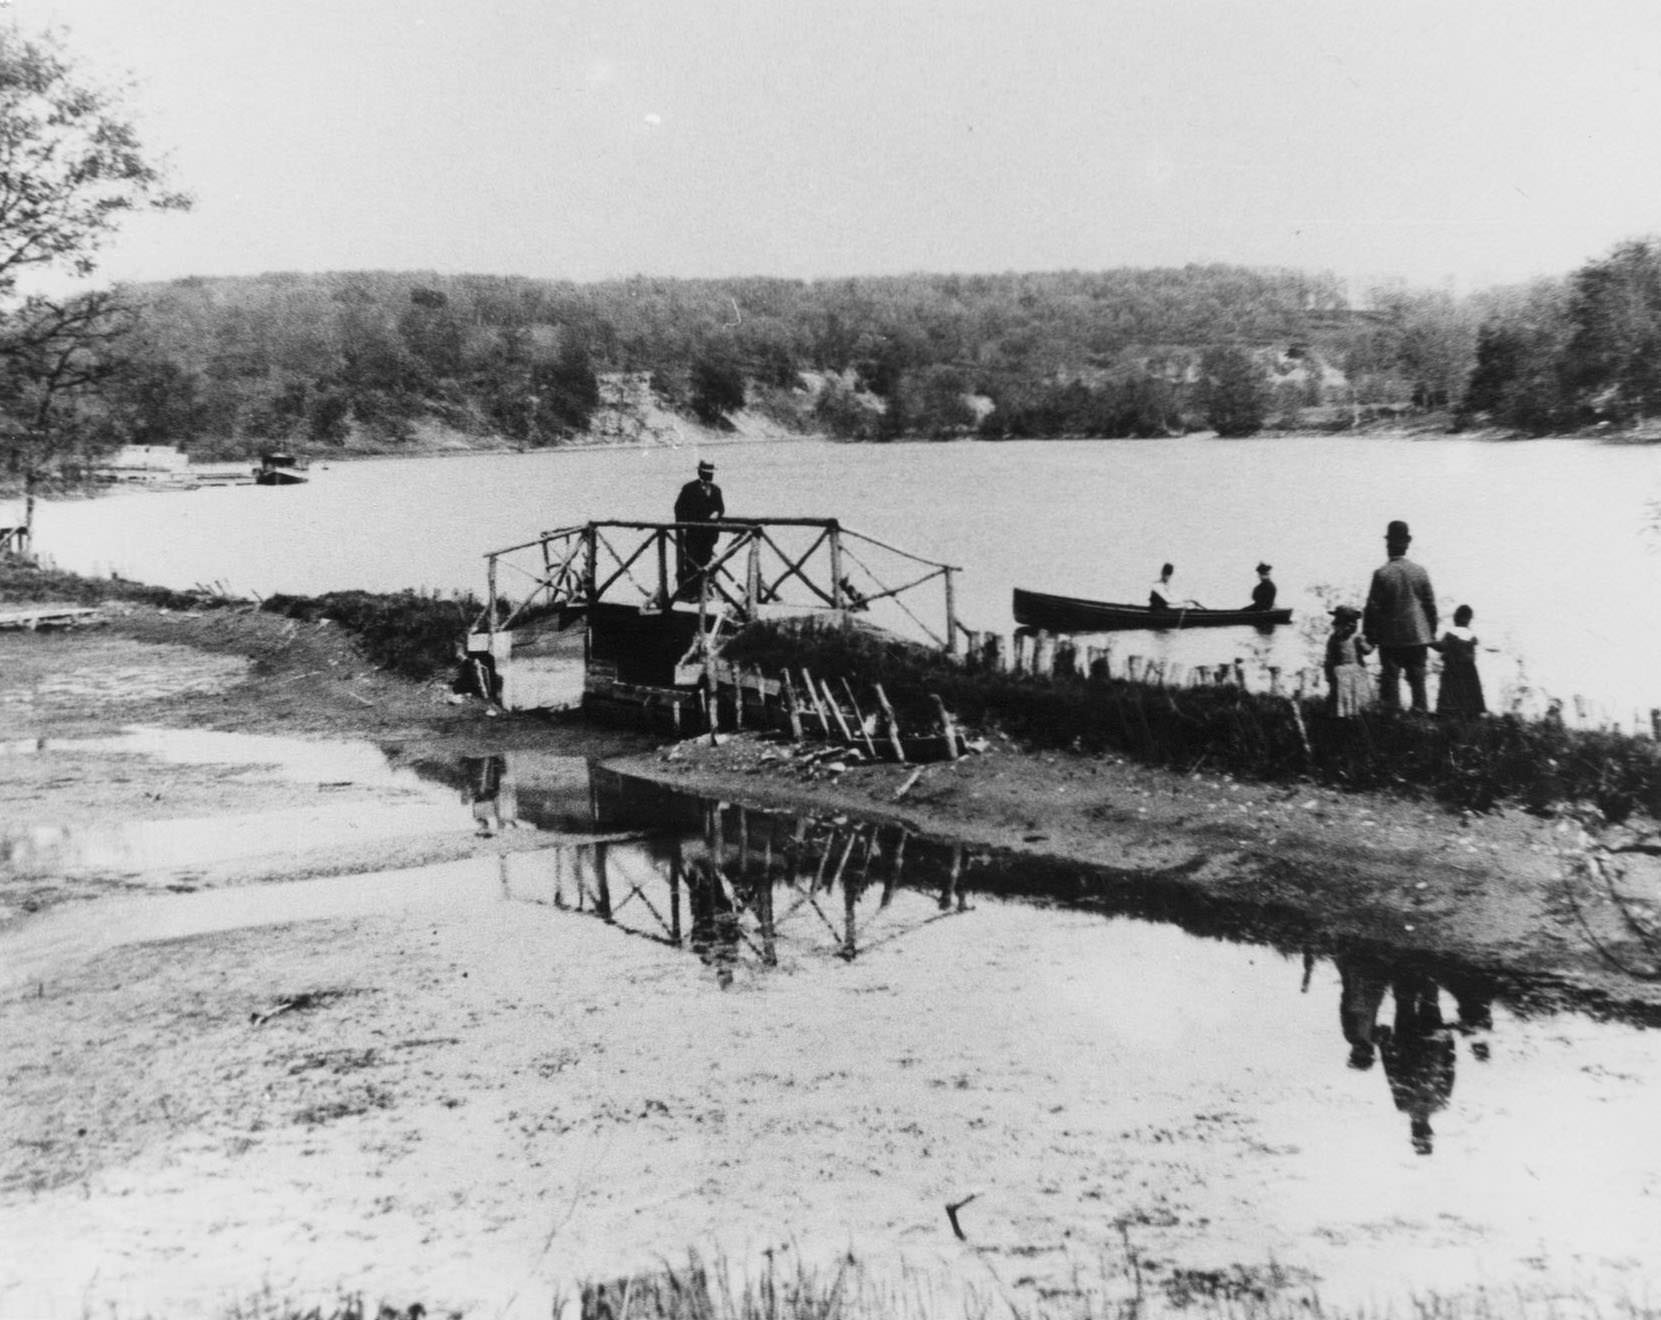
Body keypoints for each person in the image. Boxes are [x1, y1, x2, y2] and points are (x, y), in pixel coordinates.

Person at [1363, 519, 1438, 713]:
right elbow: (1430, 607)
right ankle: (1420, 725)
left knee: (1391, 683)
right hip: (1418, 636)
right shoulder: (1420, 572)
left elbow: (1372, 608)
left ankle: (1393, 723)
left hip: (1391, 638)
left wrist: (1370, 637)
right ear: (1407, 543)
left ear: (1388, 544)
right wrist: (1430, 634)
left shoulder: (1382, 573)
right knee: (1418, 683)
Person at [673, 459, 725, 599]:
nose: (710, 475)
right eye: (707, 473)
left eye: (711, 473)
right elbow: (679, 509)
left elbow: (721, 508)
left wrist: (717, 513)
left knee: (706, 562)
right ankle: (691, 593)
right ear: (700, 472)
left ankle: (704, 592)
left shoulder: (716, 490)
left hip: (709, 534)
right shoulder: (689, 488)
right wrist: (682, 527)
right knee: (692, 562)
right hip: (694, 533)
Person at [1434, 604, 1487, 717]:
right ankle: (1470, 714)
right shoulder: (1472, 635)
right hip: (1469, 670)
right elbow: (1473, 653)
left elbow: (1441, 647)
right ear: (1469, 619)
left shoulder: (1450, 634)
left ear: (1455, 618)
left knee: (1450, 693)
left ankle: (1448, 713)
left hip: (1452, 669)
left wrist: (1429, 642)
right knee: (1469, 692)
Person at [1324, 605, 1374, 717]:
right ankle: (1347, 723)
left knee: (1350, 702)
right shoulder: (1340, 638)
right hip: (1349, 672)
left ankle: (1350, 722)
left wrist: (1328, 674)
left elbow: (1328, 658)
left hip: (1348, 672)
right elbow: (1367, 650)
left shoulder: (1341, 638)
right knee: (1346, 701)